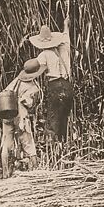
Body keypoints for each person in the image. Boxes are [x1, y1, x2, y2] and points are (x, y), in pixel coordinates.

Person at [23, 15, 73, 143]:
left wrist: (25, 76)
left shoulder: (44, 54)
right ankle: (63, 145)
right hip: (67, 87)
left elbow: (33, 68)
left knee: (53, 119)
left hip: (55, 86)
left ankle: (53, 148)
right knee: (64, 119)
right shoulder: (65, 47)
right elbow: (66, 33)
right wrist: (66, 24)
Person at [0, 68, 44, 178]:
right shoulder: (33, 86)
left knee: (6, 142)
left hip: (6, 113)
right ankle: (35, 171)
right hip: (20, 116)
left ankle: (5, 173)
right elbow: (28, 103)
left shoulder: (15, 81)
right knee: (28, 142)